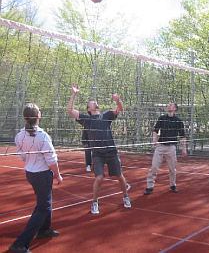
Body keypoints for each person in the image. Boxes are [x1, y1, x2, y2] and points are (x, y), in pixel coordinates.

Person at [67, 84, 131, 214]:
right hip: (97, 154)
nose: (94, 102)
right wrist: (74, 94)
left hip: (111, 151)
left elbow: (120, 109)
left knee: (119, 176)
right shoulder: (86, 119)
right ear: (89, 108)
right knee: (99, 178)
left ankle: (126, 197)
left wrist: (117, 100)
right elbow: (70, 110)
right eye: (92, 102)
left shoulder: (106, 115)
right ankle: (95, 203)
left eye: (95, 102)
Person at [9, 103, 63, 253]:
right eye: (39, 111)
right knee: (43, 207)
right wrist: (58, 175)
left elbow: (22, 156)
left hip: (31, 173)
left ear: (25, 117)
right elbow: (51, 160)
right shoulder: (43, 136)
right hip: (42, 174)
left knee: (45, 201)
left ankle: (44, 230)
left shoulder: (19, 135)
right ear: (38, 116)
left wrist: (32, 159)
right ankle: (20, 244)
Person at [144, 102, 187, 195]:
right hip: (160, 146)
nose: (168, 106)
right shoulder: (161, 118)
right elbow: (155, 131)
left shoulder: (178, 121)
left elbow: (182, 136)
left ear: (175, 108)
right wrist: (154, 140)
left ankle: (172, 185)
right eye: (168, 105)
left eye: (171, 105)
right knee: (154, 167)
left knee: (172, 168)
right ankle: (149, 187)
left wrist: (184, 148)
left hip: (171, 147)